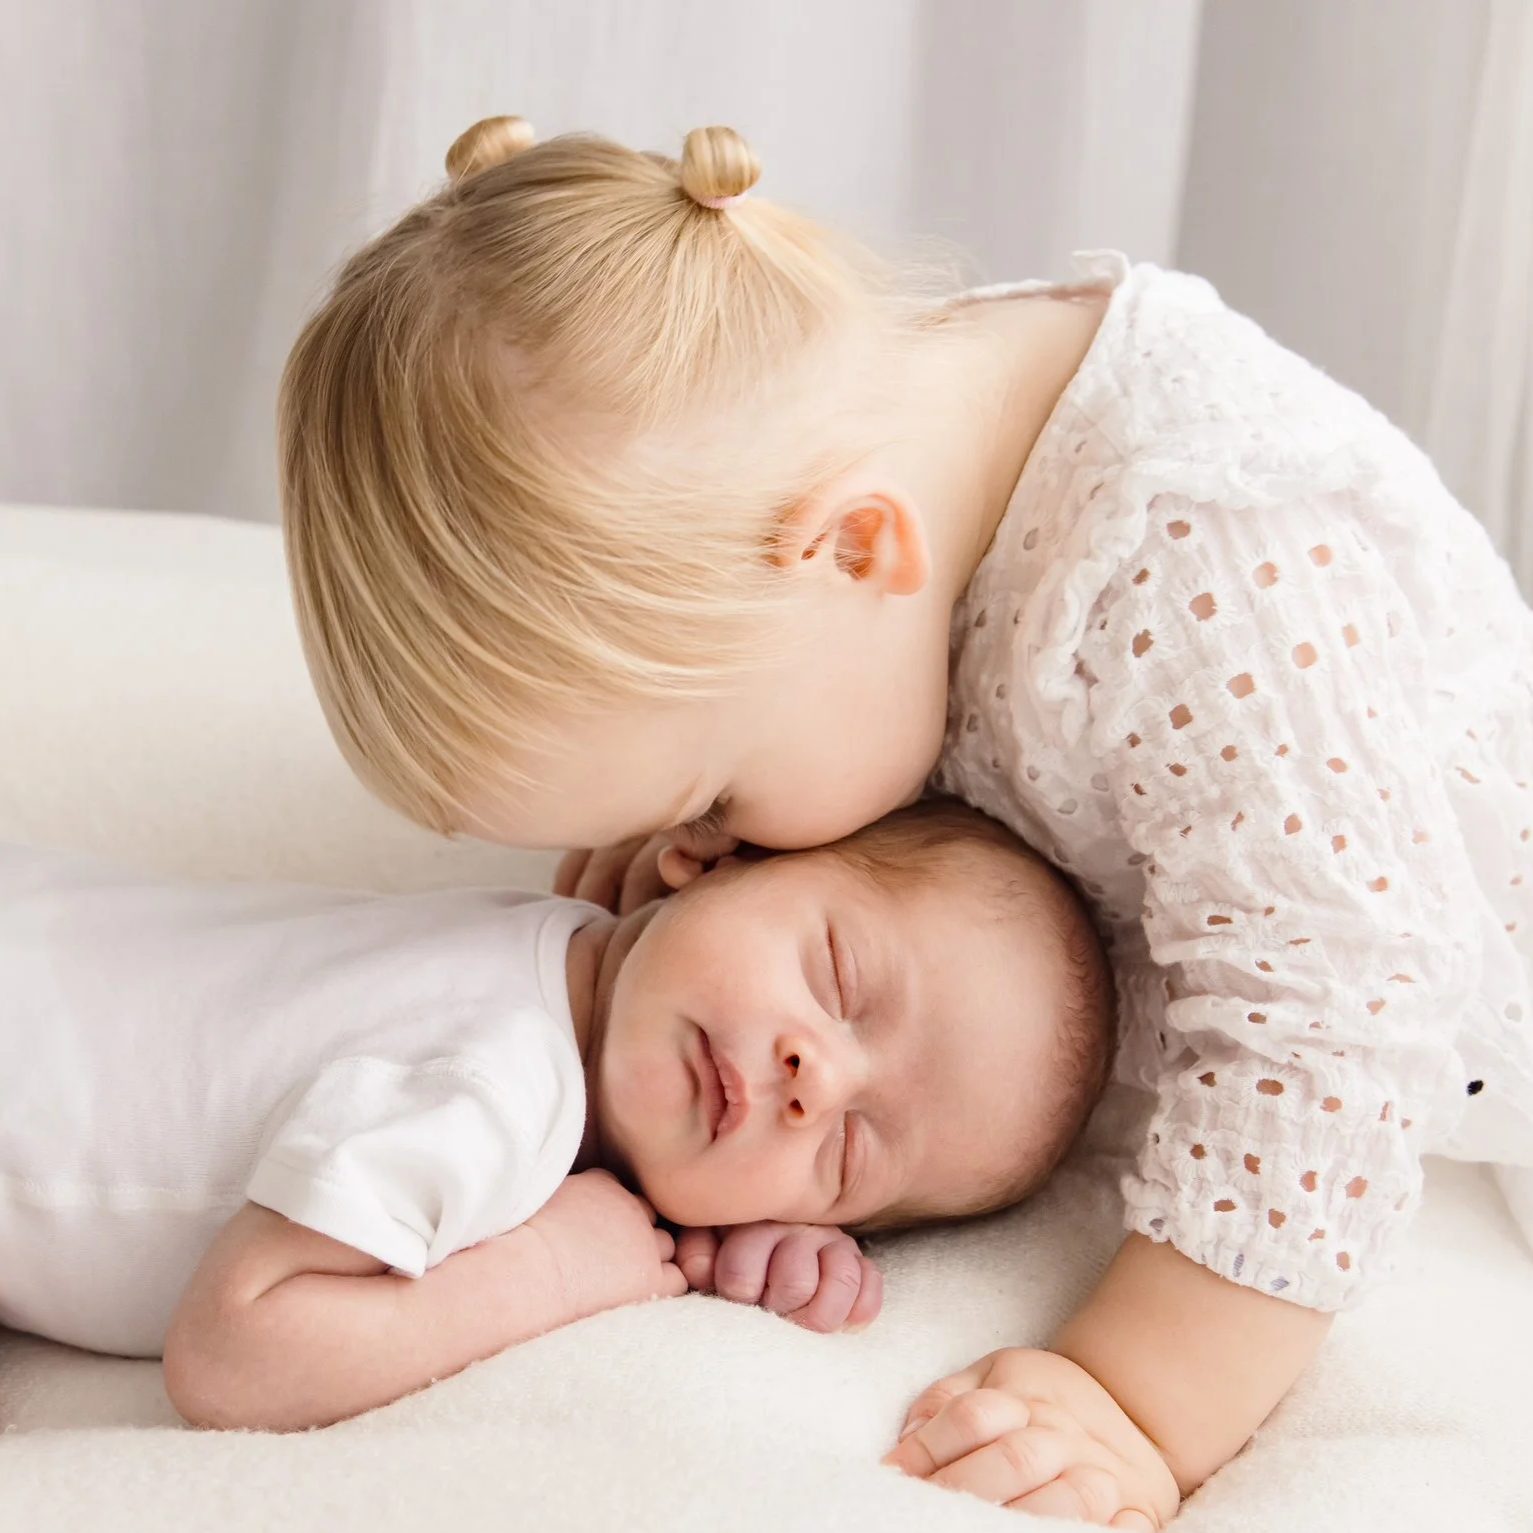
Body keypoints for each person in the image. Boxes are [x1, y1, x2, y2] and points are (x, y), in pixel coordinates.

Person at [277, 115, 1533, 1524]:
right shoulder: (814, 433)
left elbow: (1339, 1025)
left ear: (859, 548)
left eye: (709, 798)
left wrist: (1135, 1400)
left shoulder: (1198, 565)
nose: (692, 850)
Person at [0, 800, 1114, 1435]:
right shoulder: (500, 1091)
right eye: (836, 975)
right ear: (719, 859)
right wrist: (554, 1272)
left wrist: (723, 1228)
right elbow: (233, 1352)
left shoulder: (560, 945)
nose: (808, 1076)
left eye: (846, 1151)